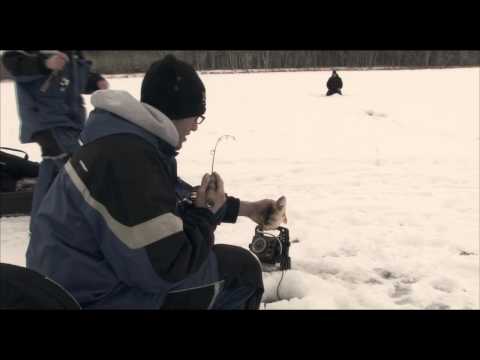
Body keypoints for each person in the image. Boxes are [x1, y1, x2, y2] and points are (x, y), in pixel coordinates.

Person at [27, 55, 287, 309]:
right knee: (239, 271)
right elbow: (166, 269)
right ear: (177, 111)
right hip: (89, 297)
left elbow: (167, 200)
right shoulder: (128, 160)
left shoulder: (123, 141)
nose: (195, 127)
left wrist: (246, 209)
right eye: (196, 116)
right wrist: (206, 215)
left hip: (75, 282)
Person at [1, 50, 109, 217]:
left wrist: (94, 81)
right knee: (77, 168)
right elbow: (13, 62)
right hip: (46, 122)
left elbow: (74, 79)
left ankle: (41, 222)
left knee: (52, 171)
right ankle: (92, 216)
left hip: (70, 123)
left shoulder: (73, 54)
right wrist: (44, 63)